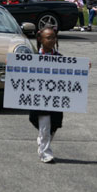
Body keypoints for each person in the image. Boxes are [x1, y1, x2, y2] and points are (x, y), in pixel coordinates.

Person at [29, 27, 64, 164]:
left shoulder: (59, 58)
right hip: (39, 99)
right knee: (44, 124)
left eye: (53, 37)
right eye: (48, 38)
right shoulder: (33, 58)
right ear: (40, 39)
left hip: (55, 99)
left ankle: (44, 141)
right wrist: (13, 66)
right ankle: (45, 153)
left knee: (54, 125)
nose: (51, 40)